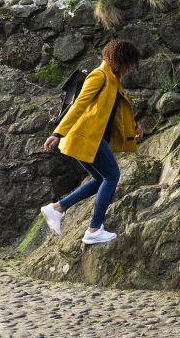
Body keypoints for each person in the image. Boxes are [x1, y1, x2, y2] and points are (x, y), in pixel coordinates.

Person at [41, 38, 145, 246]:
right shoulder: (99, 76)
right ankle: (94, 229)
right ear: (116, 59)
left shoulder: (113, 79)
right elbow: (78, 106)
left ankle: (57, 208)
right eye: (125, 63)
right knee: (112, 175)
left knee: (100, 179)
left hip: (91, 139)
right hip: (86, 137)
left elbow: (114, 111)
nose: (127, 69)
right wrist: (57, 133)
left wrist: (132, 126)